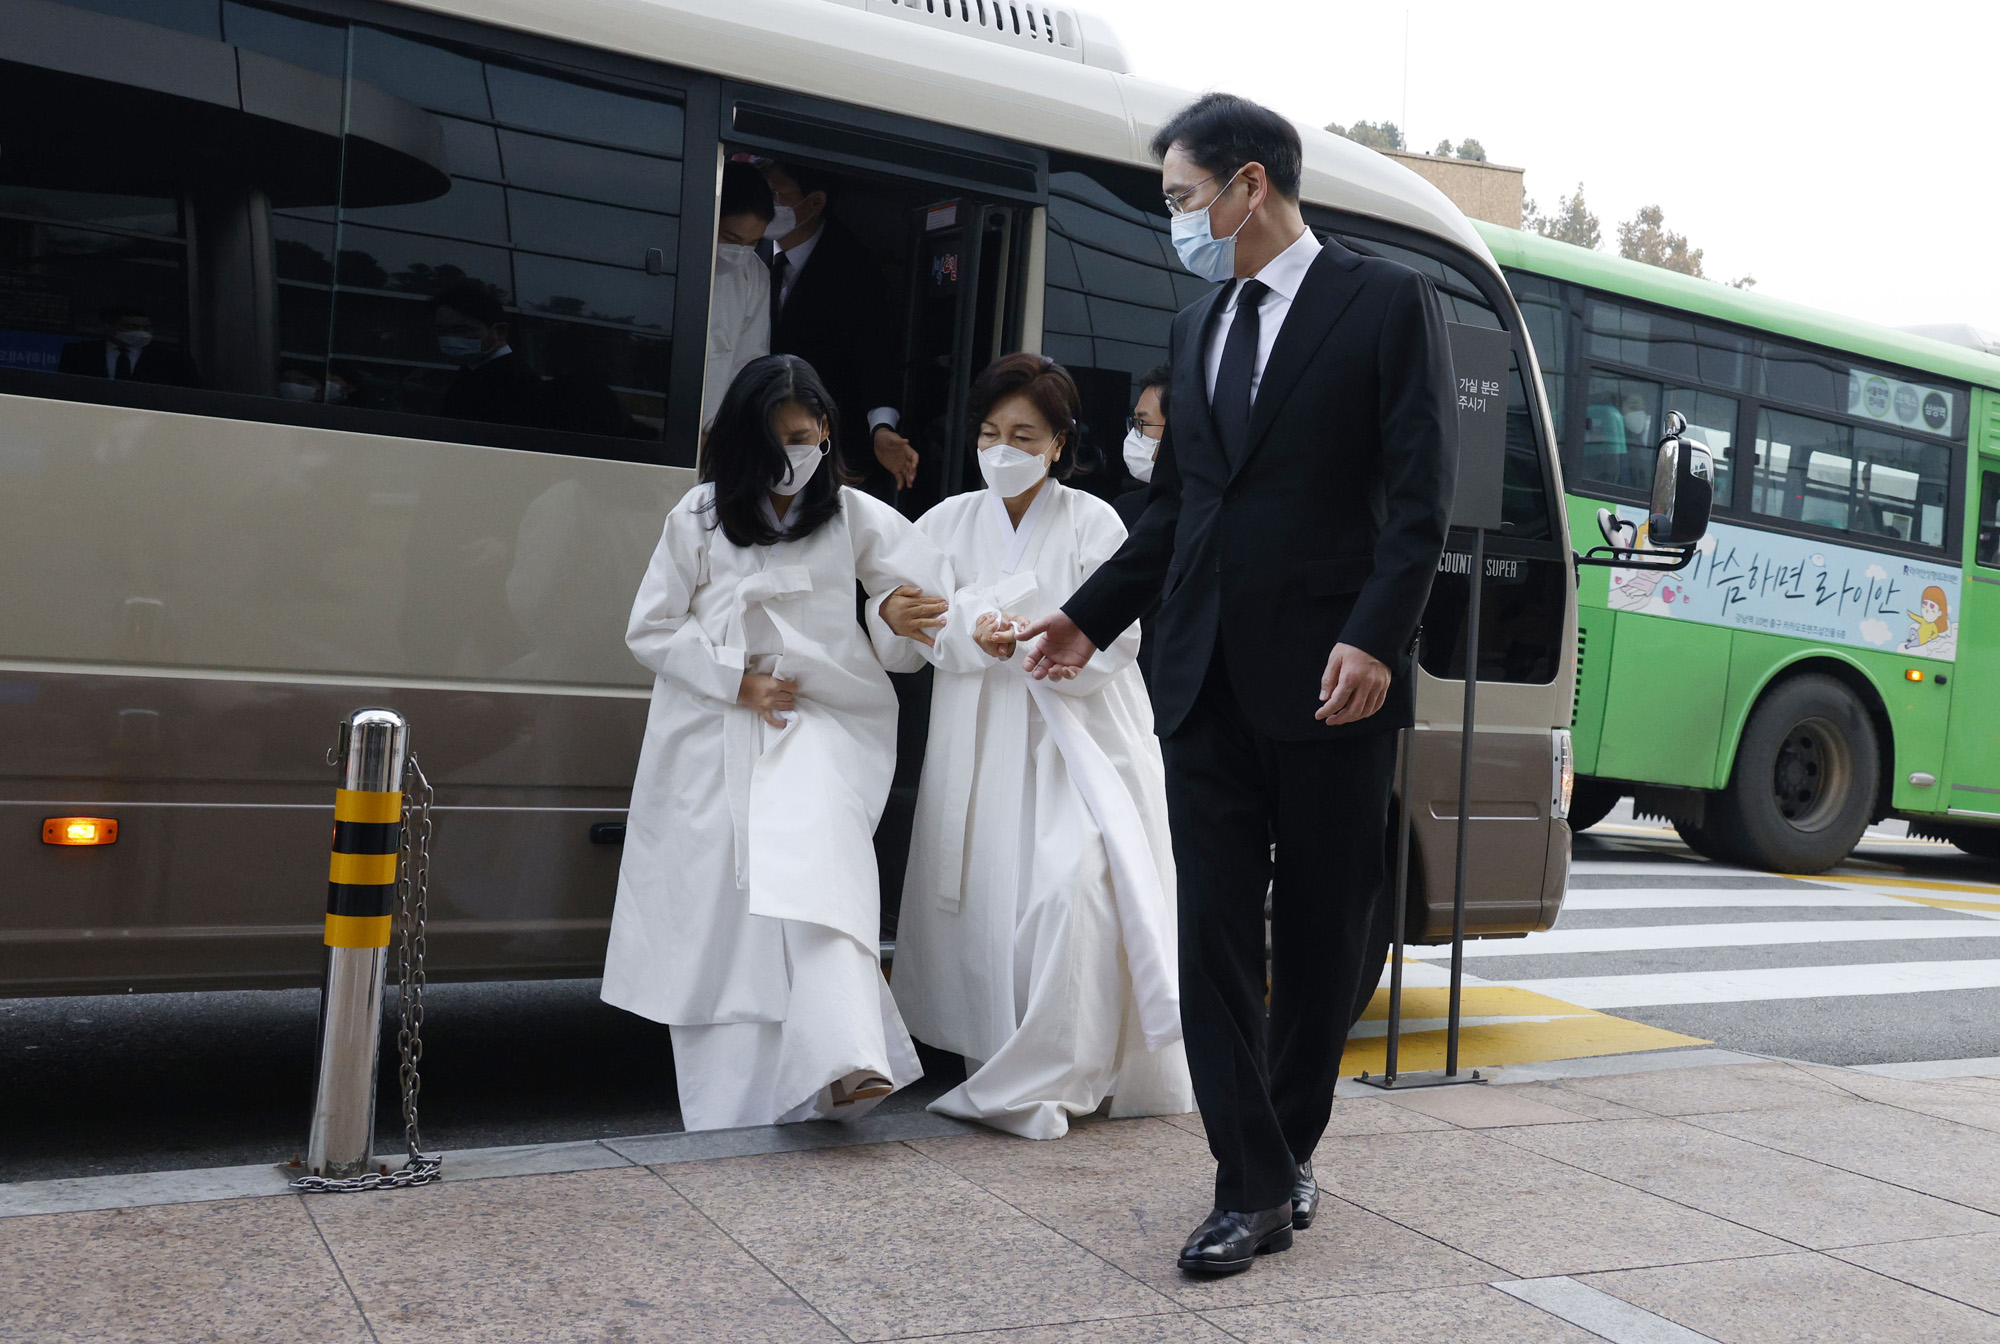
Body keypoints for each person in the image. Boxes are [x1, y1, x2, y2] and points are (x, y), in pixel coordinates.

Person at [1018, 94, 1454, 1275]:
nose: (1175, 220)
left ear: (1246, 184)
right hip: (1201, 676)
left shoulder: (1384, 301)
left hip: (1331, 682)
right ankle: (1250, 1183)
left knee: (1320, 937)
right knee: (1207, 928)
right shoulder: (1197, 321)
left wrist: (1375, 638)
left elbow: (1418, 496)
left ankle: (1286, 1146)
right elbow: (1180, 508)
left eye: (1180, 197)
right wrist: (1088, 614)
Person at [601, 354, 954, 1131]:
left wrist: (891, 614)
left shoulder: (854, 515)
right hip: (713, 735)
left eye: (802, 437)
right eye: (774, 442)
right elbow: (651, 627)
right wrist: (738, 680)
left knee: (823, 877)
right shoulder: (699, 516)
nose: (791, 456)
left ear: (825, 430)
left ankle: (846, 1054)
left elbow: (916, 598)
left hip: (819, 724)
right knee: (724, 926)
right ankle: (735, 1116)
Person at [887, 353, 1193, 1140]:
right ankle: (1001, 1055)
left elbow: (1121, 635)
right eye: (990, 433)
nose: (1003, 450)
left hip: (1076, 741)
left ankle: (1069, 1066)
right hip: (980, 738)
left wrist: (1034, 636)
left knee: (1074, 889)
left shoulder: (1095, 522)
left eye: (1024, 435)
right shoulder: (945, 522)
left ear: (1059, 444)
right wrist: (950, 625)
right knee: (989, 897)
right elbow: (899, 625)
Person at [761, 160, 914, 498]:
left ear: (815, 202)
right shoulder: (745, 246)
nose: (765, 203)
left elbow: (875, 359)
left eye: (775, 193)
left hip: (819, 452)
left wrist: (881, 427)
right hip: (756, 436)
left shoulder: (854, 270)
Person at [703, 161, 775, 434]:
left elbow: (750, 363)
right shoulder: (675, 255)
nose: (740, 251)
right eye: (731, 238)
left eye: (752, 243)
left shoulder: (754, 275)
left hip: (714, 433)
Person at [1115, 365, 1172, 684]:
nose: (1134, 434)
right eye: (1134, 423)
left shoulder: (1210, 515)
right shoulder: (1125, 510)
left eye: (1143, 423)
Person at [431, 281, 548, 429]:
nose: (450, 338)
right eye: (442, 331)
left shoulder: (518, 383)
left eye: (463, 330)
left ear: (500, 331)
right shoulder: (470, 371)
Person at [58, 307, 201, 387]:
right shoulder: (78, 353)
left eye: (146, 328)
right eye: (131, 327)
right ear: (109, 327)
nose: (140, 333)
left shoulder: (172, 360)